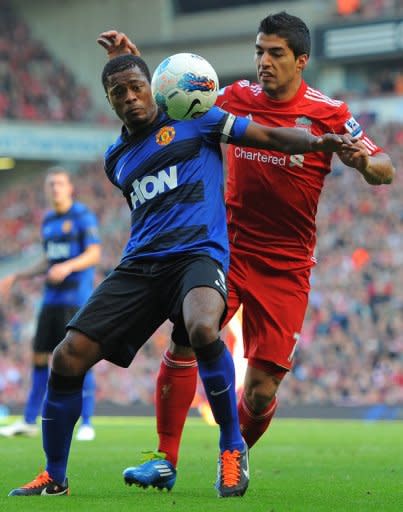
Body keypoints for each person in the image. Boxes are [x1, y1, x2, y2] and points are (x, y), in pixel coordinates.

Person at [8, 50, 354, 498]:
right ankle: (54, 477)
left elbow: (267, 135)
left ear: (152, 87)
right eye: (119, 93)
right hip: (140, 266)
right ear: (109, 101)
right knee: (66, 357)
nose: (130, 97)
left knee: (202, 326)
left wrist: (318, 143)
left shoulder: (202, 121)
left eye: (136, 87)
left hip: (198, 256)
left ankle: (232, 449)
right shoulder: (116, 159)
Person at [97, 10, 395, 493]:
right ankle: (164, 458)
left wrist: (363, 162)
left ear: (301, 60)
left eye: (275, 53)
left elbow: (385, 168)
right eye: (259, 51)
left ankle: (234, 454)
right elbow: (169, 100)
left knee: (259, 392)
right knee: (189, 337)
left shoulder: (329, 112)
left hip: (288, 265)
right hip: (226, 247)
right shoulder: (235, 97)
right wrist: (130, 62)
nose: (263, 61)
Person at [0, 168, 101, 442]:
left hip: (75, 299)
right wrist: (20, 274)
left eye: (59, 183)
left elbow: (93, 253)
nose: (55, 188)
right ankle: (29, 420)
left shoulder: (81, 216)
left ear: (69, 188)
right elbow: (48, 259)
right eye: (50, 184)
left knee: (79, 359)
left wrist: (67, 267)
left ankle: (88, 422)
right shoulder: (48, 221)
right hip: (51, 300)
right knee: (39, 358)